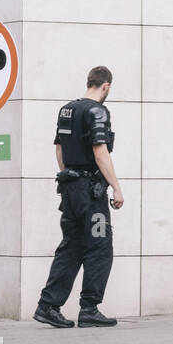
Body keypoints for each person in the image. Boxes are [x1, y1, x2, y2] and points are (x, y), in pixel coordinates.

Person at [33, 67, 125, 329]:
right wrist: (116, 188)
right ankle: (89, 309)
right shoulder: (97, 111)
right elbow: (100, 153)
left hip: (70, 190)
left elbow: (59, 148)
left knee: (71, 246)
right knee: (99, 246)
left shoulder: (67, 110)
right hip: (90, 193)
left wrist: (67, 176)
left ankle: (48, 306)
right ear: (105, 86)